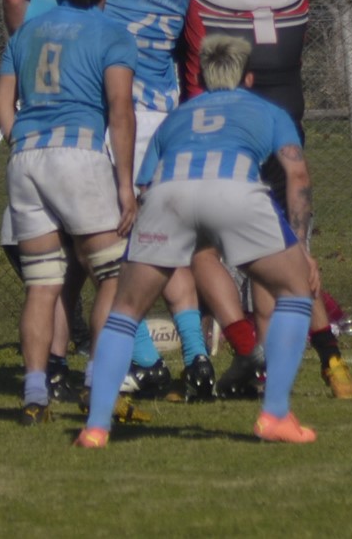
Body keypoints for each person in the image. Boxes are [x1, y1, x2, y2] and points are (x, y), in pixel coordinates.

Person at [169, 0, 352, 398]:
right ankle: (324, 360)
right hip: (285, 129)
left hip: (229, 138)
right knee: (286, 259)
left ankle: (252, 358)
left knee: (208, 248)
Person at [77, 35, 321, 448]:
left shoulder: (177, 117)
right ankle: (276, 414)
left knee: (124, 310)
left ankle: (97, 427)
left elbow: (145, 183)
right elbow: (297, 176)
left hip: (168, 193)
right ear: (248, 77)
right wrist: (299, 248)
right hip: (235, 192)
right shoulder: (268, 110)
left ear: (201, 78)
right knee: (297, 292)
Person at [41, 0, 215, 401]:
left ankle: (144, 359)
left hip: (125, 120)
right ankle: (198, 358)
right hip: (167, 119)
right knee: (167, 248)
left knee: (108, 250)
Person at [0, 0, 138, 426]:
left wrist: (24, 139)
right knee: (113, 275)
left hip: (27, 156)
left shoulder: (27, 33)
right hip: (78, 154)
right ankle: (98, 381)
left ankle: (35, 391)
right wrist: (125, 185)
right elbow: (120, 109)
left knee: (41, 284)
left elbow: (0, 102)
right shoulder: (112, 32)